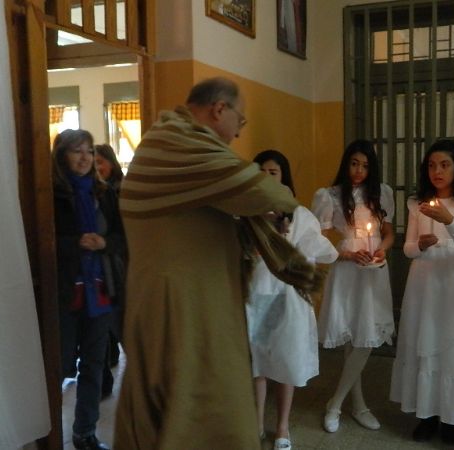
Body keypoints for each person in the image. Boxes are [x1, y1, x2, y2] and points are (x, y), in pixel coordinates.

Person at [113, 77, 318, 450]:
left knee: (181, 409)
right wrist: (281, 203)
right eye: (241, 122)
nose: (238, 134)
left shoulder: (170, 140)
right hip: (178, 309)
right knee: (196, 408)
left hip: (175, 299)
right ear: (219, 109)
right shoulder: (180, 142)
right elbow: (267, 192)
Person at [389, 139, 454, 445]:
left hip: (453, 284)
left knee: (451, 346)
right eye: (431, 165)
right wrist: (420, 245)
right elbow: (407, 249)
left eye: (444, 165)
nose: (437, 171)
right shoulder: (418, 203)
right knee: (424, 340)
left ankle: (450, 417)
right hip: (423, 283)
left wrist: (449, 222)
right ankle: (426, 415)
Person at [246, 150, 338, 450]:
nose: (266, 177)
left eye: (273, 172)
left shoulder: (300, 215)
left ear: (284, 177)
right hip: (257, 294)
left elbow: (321, 252)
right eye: (261, 171)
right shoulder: (248, 213)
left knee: (286, 360)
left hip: (287, 297)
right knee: (258, 361)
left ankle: (283, 426)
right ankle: (257, 422)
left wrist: (285, 236)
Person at [312, 139, 396, 433]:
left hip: (374, 269)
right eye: (354, 163)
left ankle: (336, 403)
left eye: (365, 165)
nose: (359, 170)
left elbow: (389, 233)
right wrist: (347, 254)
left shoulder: (382, 193)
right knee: (354, 336)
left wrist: (382, 249)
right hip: (348, 268)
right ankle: (356, 405)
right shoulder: (330, 196)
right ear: (346, 163)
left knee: (366, 338)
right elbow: (319, 240)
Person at [53, 129, 126, 450]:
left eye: (89, 151)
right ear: (62, 156)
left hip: (100, 291)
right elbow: (39, 242)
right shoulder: (51, 194)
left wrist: (104, 243)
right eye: (77, 151)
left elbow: (123, 239)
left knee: (95, 365)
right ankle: (48, 432)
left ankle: (85, 433)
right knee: (59, 365)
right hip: (65, 292)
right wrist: (75, 243)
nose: (85, 158)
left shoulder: (104, 193)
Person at [93, 143, 126, 398]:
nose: (96, 167)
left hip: (118, 265)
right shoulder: (93, 192)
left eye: (100, 162)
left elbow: (122, 234)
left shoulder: (119, 191)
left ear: (111, 163)